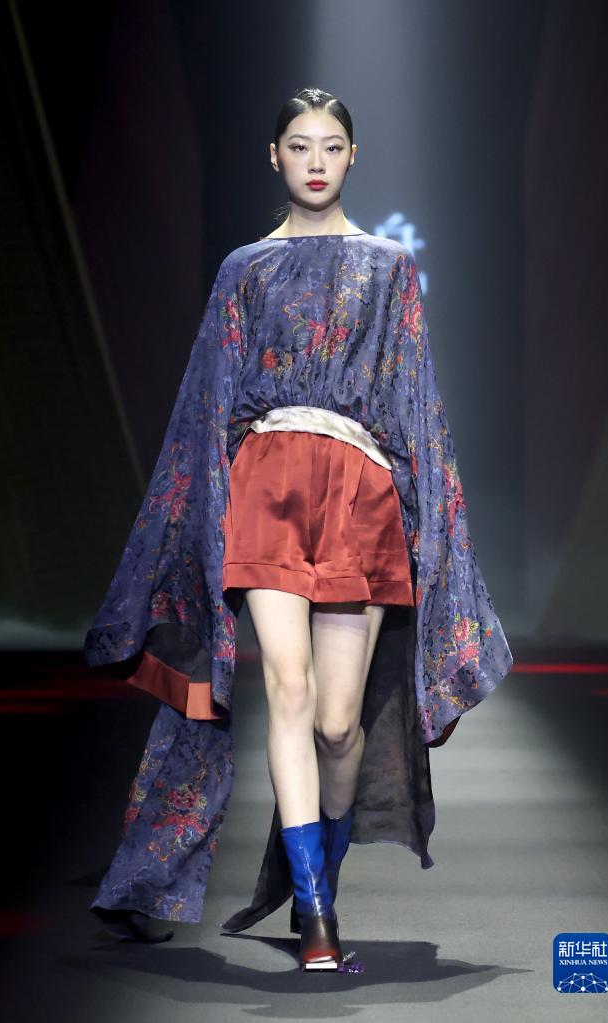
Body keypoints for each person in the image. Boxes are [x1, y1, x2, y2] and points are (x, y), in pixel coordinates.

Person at [83, 87, 513, 973]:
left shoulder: (390, 268)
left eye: (331, 146)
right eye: (299, 145)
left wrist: (435, 535)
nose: (315, 161)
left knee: (339, 724)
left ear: (353, 157)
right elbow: (206, 404)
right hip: (267, 482)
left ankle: (324, 878)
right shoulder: (243, 270)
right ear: (273, 157)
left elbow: (415, 404)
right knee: (285, 690)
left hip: (360, 492)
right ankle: (316, 917)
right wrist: (191, 529)